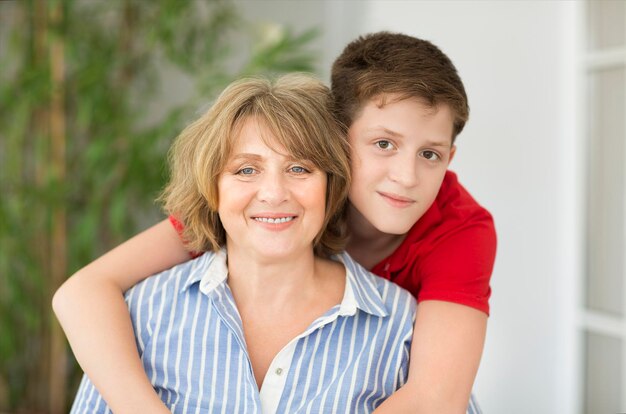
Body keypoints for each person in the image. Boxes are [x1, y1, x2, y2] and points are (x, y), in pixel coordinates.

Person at [54, 32, 495, 413]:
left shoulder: (450, 245)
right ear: (336, 142)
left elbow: (436, 400)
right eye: (383, 143)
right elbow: (84, 292)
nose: (405, 176)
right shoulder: (156, 306)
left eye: (430, 154)